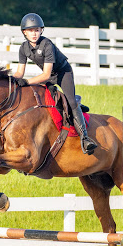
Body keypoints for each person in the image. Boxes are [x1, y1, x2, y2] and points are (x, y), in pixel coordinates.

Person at [12, 13, 97, 155]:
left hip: (63, 73)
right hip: (49, 75)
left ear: (41, 31)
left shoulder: (47, 45)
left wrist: (26, 82)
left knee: (70, 101)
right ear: (24, 32)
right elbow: (19, 72)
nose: (34, 33)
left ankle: (85, 138)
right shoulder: (23, 48)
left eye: (37, 30)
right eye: (31, 30)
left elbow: (45, 75)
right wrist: (10, 80)